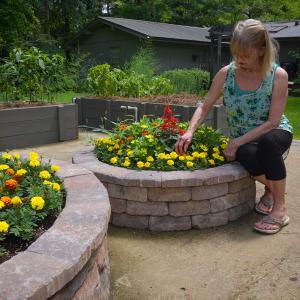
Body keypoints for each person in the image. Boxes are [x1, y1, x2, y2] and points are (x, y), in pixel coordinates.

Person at [175, 19, 293, 234]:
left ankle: (279, 210)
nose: (239, 59)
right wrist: (189, 130)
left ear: (261, 50)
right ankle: (270, 189)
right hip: (245, 140)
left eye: (245, 55)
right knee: (245, 154)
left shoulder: (278, 76)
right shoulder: (225, 74)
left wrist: (236, 141)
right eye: (236, 53)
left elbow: (273, 122)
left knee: (266, 144)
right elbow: (205, 106)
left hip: (274, 133)